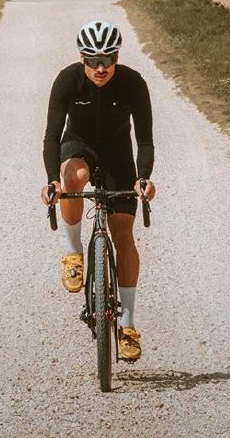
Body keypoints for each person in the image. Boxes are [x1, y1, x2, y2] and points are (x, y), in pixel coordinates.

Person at [40, 19, 156, 361]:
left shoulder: (133, 83)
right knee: (74, 176)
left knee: (123, 235)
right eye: (92, 60)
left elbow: (145, 138)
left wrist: (144, 178)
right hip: (80, 145)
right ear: (82, 59)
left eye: (108, 59)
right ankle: (73, 251)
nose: (101, 67)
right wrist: (52, 180)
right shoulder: (67, 81)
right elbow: (50, 136)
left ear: (117, 56)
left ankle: (128, 324)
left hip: (118, 154)